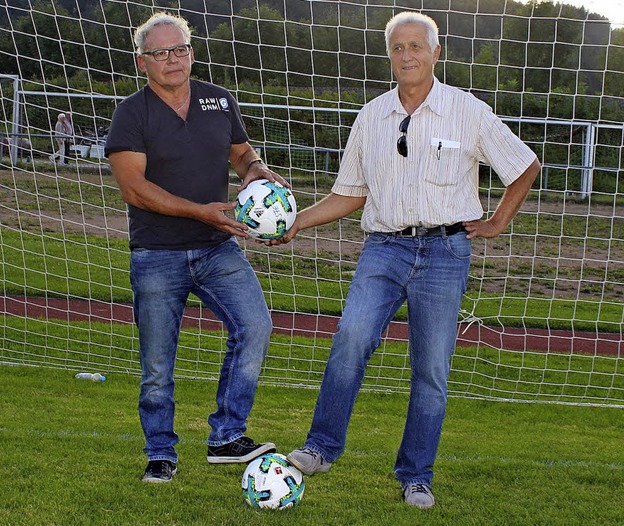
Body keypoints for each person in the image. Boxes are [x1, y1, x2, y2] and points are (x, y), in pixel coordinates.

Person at [274, 12, 541, 509]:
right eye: (398, 48)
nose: (407, 55)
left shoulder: (467, 111)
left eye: (416, 46)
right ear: (389, 56)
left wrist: (499, 220)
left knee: (431, 370)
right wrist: (296, 223)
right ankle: (320, 448)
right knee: (351, 339)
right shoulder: (371, 116)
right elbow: (349, 194)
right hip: (384, 248)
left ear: (436, 52)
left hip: (445, 253)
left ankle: (416, 475)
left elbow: (524, 164)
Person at [104, 12, 285, 483]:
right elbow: (134, 189)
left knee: (256, 327)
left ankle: (227, 435)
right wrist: (201, 210)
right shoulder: (132, 112)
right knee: (158, 364)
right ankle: (160, 452)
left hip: (218, 248)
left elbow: (241, 152)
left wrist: (255, 170)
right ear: (142, 62)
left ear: (191, 51)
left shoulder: (218, 101)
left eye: (179, 49)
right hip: (157, 253)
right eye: (160, 53)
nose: (173, 60)